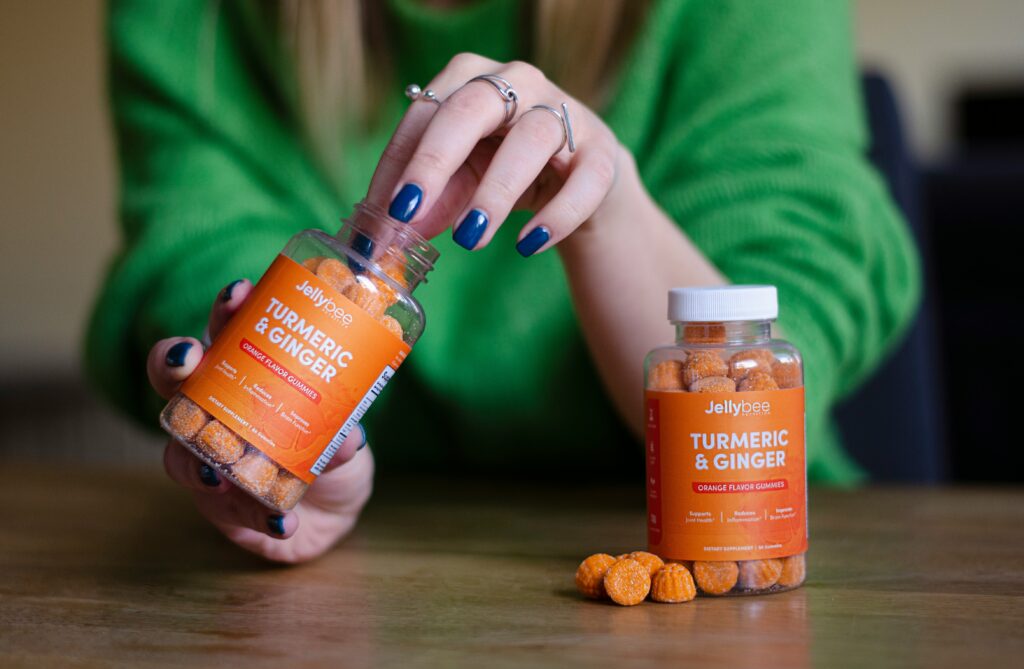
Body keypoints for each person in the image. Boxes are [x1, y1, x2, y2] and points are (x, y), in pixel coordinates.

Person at [86, 0, 920, 562]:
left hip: (720, 556)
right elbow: (188, 257)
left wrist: (609, 212)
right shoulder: (192, 21)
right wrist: (278, 451)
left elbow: (782, 331)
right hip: (363, 574)